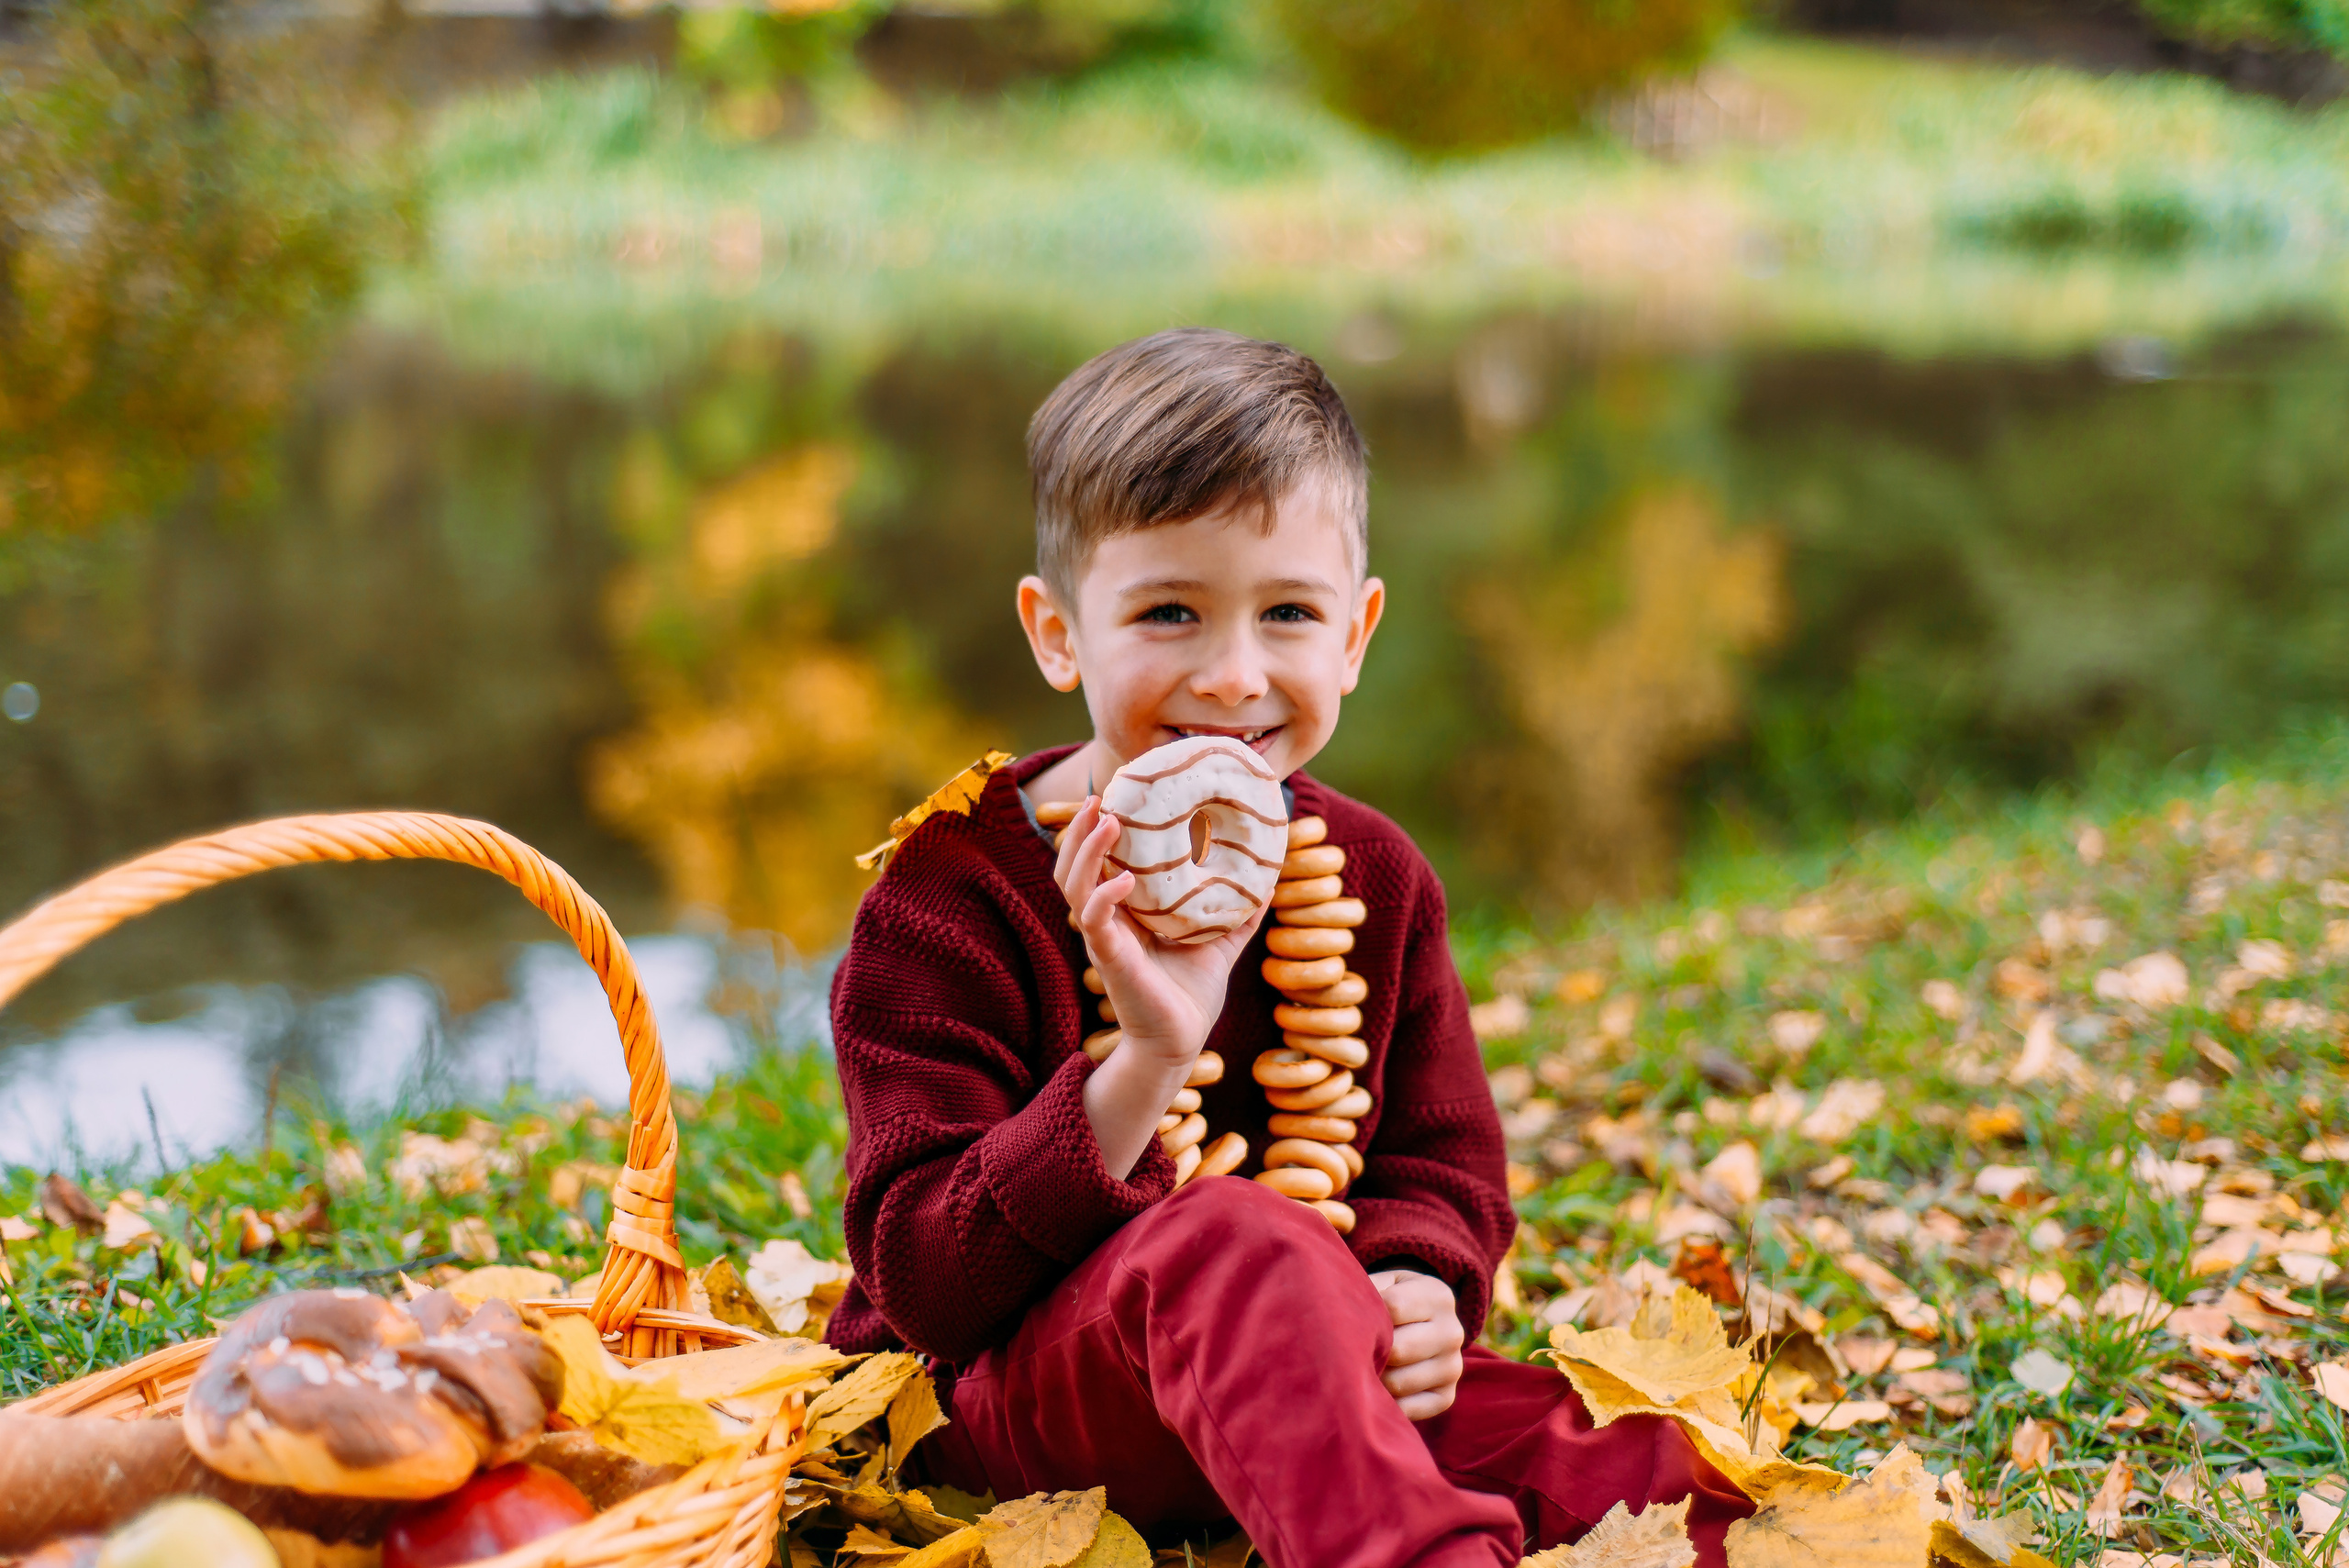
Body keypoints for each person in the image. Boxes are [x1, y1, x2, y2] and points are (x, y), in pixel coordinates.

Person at [824, 328, 1751, 1567]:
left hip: (1300, 1386)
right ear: (1058, 634)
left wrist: (1424, 1283)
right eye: (1168, 611)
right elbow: (928, 1280)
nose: (1234, 673)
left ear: (1355, 635)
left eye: (1289, 614)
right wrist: (1148, 1058)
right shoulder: (951, 895)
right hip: (1011, 1409)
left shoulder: (1372, 877)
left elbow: (1441, 1161)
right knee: (1240, 1239)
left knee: (1611, 1460)